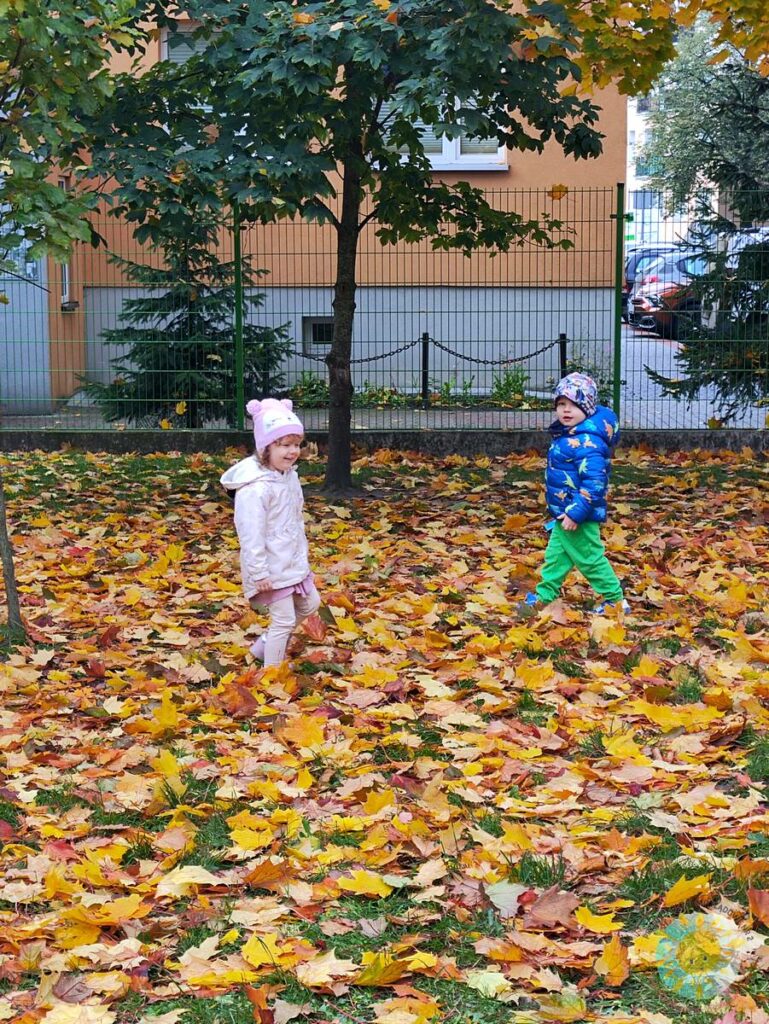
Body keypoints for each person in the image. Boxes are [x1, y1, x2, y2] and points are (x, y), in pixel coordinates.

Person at [221, 398, 320, 666]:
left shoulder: (288, 476)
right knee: (284, 620)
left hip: (289, 557)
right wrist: (259, 572)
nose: (292, 451)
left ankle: (263, 647)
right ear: (266, 447)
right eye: (284, 445)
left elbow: (293, 519)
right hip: (268, 565)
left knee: (310, 603)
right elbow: (250, 533)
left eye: (296, 444)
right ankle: (271, 675)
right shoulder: (255, 489)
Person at [521, 372, 629, 614]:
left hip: (579, 514)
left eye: (574, 405)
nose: (566, 410)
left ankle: (616, 600)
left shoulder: (588, 442)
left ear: (588, 408)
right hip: (564, 512)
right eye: (561, 404)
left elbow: (594, 483)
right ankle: (545, 595)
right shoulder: (570, 434)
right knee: (556, 557)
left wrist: (576, 513)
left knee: (589, 559)